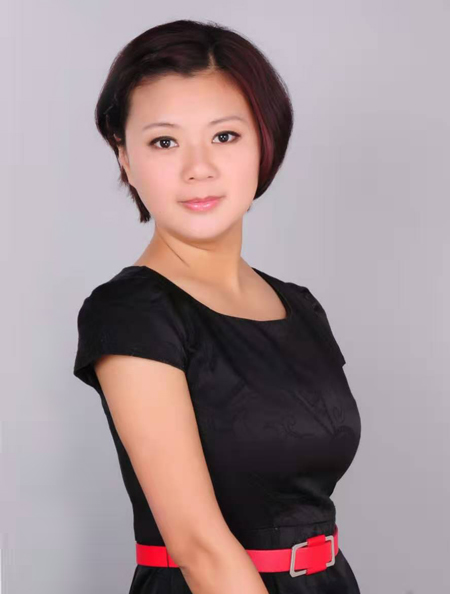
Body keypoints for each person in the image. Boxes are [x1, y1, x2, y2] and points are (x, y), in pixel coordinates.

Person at [73, 18, 362, 594]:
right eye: (164, 142)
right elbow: (199, 548)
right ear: (124, 156)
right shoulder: (131, 313)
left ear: (264, 143)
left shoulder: (301, 307)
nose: (198, 167)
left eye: (225, 136)